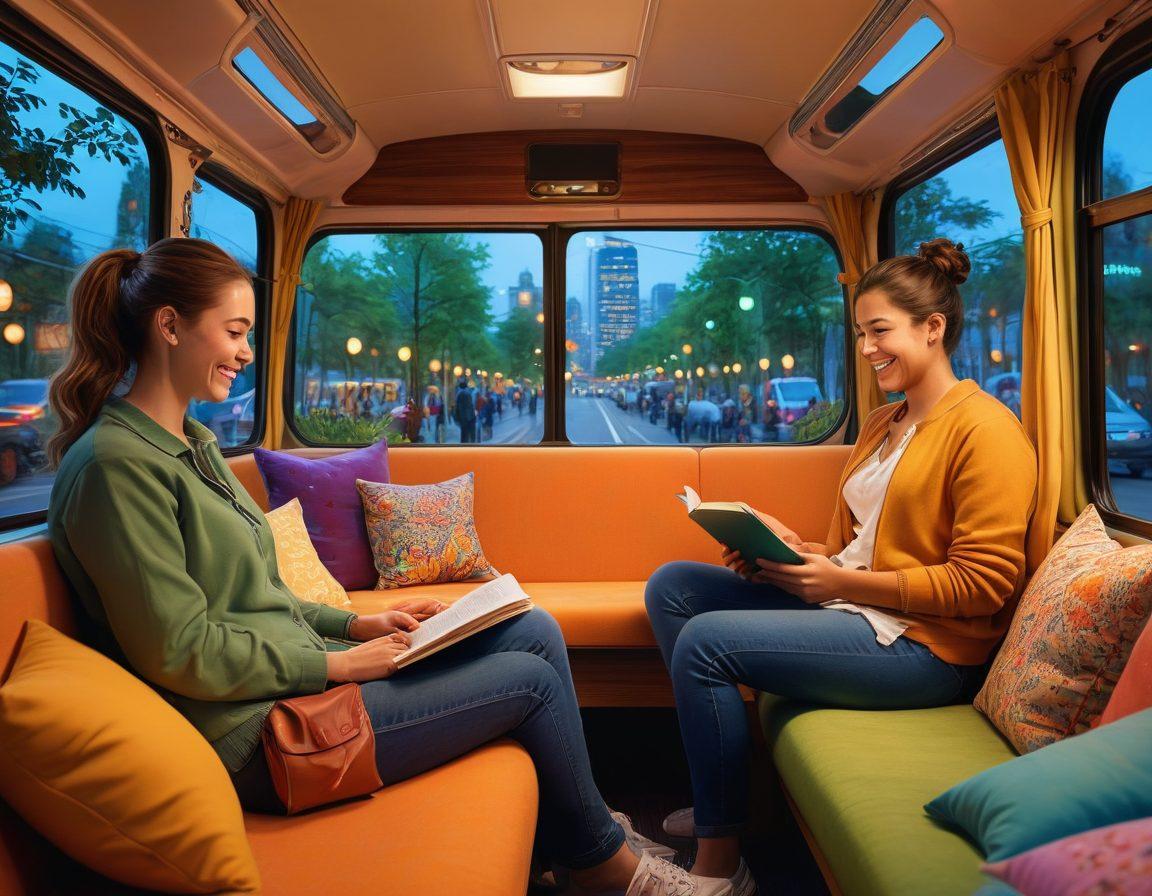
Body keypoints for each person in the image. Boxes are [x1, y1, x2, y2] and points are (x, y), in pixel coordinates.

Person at [44, 239, 728, 896]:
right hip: (262, 737)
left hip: (295, 690)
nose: (247, 352)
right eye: (235, 332)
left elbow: (259, 594)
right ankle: (602, 866)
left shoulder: (192, 443)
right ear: (169, 326)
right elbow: (180, 649)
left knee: (533, 629)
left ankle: (584, 837)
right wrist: (339, 664)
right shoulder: (116, 467)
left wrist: (359, 624)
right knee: (531, 684)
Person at [644, 239, 1040, 895]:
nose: (866, 348)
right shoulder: (884, 423)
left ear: (932, 327)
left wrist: (838, 581)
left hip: (924, 647)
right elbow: (860, 548)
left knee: (705, 643)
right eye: (859, 333)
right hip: (855, 607)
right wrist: (789, 552)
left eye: (879, 331)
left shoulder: (987, 431)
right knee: (674, 588)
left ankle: (720, 863)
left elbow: (984, 585)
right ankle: (732, 794)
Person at [453, 376, 476, 443]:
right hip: (469, 418)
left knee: (464, 435)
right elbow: (470, 406)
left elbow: (458, 408)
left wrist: (457, 418)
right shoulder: (468, 394)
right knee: (470, 435)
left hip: (463, 418)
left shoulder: (459, 395)